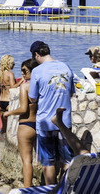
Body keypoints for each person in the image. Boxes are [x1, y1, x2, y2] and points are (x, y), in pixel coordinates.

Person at [28, 40, 76, 185]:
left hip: (45, 123)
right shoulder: (66, 67)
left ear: (36, 55)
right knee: (68, 161)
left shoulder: (37, 71)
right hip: (64, 123)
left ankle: (51, 190)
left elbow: (32, 98)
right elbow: (72, 93)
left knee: (48, 163)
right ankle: (67, 189)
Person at [2, 58, 39, 187]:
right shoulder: (42, 84)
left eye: (24, 71)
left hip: (26, 126)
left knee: (27, 161)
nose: (22, 74)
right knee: (44, 160)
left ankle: (27, 189)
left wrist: (9, 112)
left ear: (32, 71)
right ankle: (46, 186)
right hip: (39, 125)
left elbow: (23, 109)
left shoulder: (25, 86)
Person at [0, 54, 17, 134]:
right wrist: (22, 81)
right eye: (13, 63)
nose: (14, 65)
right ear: (9, 64)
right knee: (11, 127)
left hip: (0, 102)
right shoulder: (10, 74)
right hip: (9, 102)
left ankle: (2, 142)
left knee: (4, 127)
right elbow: (13, 87)